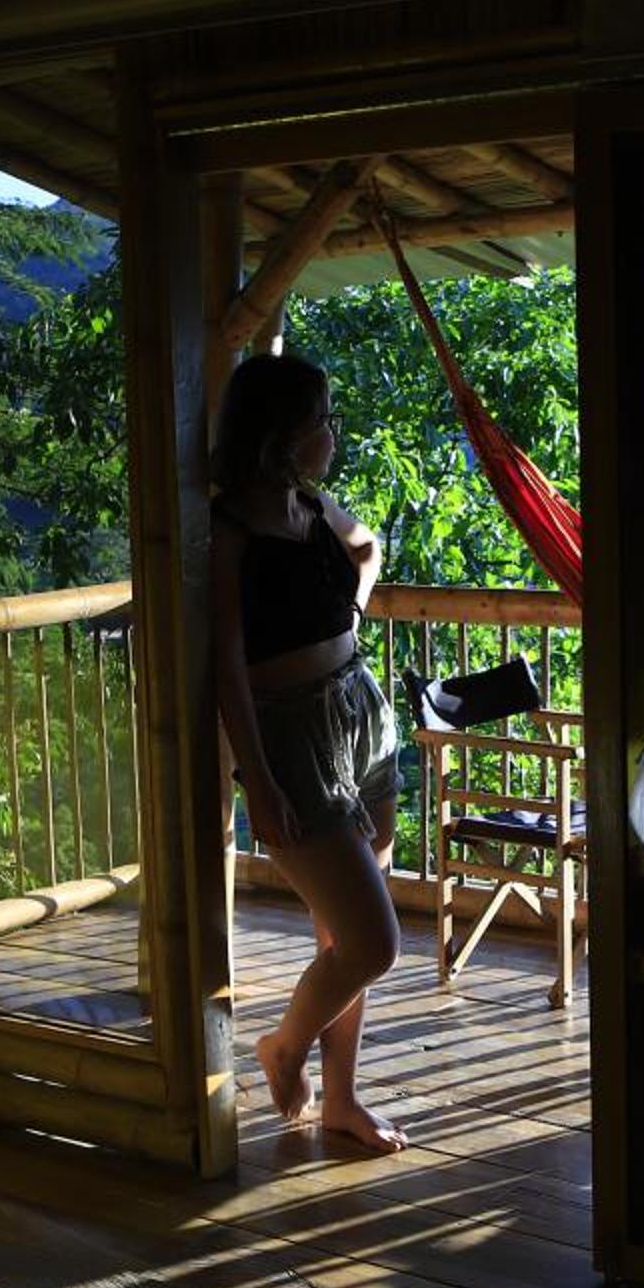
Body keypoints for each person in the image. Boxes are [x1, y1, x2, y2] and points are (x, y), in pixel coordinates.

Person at [211, 351, 409, 1154]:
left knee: (342, 939)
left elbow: (369, 550)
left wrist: (349, 613)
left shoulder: (312, 506)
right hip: (290, 736)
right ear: (283, 436)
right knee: (373, 942)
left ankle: (342, 1101)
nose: (334, 435)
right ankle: (283, 1048)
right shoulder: (230, 532)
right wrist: (257, 780)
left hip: (359, 715)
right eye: (324, 421)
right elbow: (226, 665)